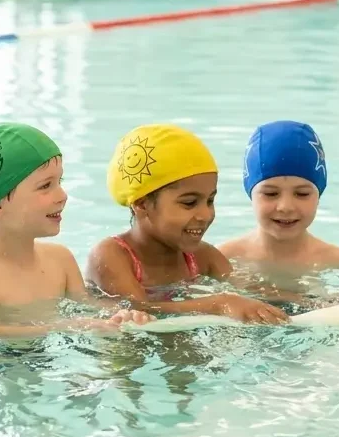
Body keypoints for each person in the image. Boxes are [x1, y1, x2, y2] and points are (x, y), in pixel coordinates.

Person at [0, 122, 154, 335]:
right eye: (45, 186)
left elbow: (87, 308)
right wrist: (63, 328)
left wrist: (123, 315)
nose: (62, 195)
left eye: (59, 181)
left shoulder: (60, 259)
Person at [85, 123, 288, 324]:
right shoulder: (110, 255)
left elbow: (253, 292)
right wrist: (219, 304)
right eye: (189, 203)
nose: (205, 214)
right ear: (142, 204)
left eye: (210, 200)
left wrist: (311, 303)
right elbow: (136, 308)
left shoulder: (202, 256)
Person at [219, 121, 339, 272]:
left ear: (318, 196)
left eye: (302, 194)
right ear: (251, 194)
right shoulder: (223, 260)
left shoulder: (338, 263)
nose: (285, 207)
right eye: (271, 193)